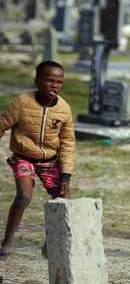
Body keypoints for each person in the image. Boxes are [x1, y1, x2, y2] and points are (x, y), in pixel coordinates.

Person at [0, 61, 75, 257]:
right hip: (23, 158)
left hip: (49, 162)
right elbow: (3, 123)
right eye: (50, 80)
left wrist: (66, 175)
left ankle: (50, 245)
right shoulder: (22, 103)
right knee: (24, 196)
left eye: (59, 81)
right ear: (37, 81)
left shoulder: (64, 110)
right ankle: (6, 242)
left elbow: (67, 143)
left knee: (64, 200)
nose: (55, 85)